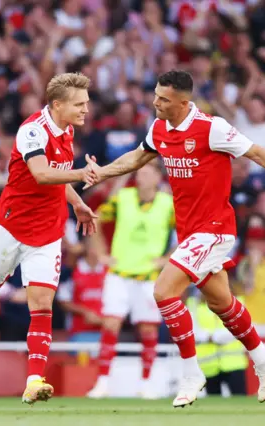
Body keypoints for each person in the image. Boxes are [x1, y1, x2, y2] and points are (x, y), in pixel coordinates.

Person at [84, 70, 265, 407]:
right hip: (190, 234)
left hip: (215, 230)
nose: (155, 102)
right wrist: (102, 172)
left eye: (163, 99)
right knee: (221, 303)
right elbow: (137, 158)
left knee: (163, 291)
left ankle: (192, 373)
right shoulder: (159, 128)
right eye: (155, 95)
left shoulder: (213, 128)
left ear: (183, 102)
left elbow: (259, 154)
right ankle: (263, 356)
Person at [0, 72, 99, 405]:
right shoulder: (32, 130)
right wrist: (82, 173)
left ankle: (33, 381)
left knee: (42, 305)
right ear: (58, 104)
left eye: (86, 103)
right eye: (80, 104)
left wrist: (79, 204)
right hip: (10, 227)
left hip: (47, 233)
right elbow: (42, 173)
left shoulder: (67, 130)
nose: (86, 109)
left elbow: (59, 179)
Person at [87, 159, 174, 399]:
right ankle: (102, 382)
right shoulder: (122, 198)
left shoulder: (168, 205)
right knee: (110, 324)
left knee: (147, 329)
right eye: (140, 173)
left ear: (158, 178)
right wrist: (101, 252)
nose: (142, 178)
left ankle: (146, 383)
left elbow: (188, 234)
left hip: (148, 276)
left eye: (147, 173)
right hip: (119, 273)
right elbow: (94, 218)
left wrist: (169, 257)